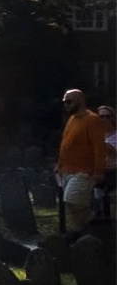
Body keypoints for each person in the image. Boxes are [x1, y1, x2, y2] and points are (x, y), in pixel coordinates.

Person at [56, 89, 107, 236]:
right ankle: (88, 232)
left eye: (69, 101)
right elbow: (66, 143)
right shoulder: (72, 119)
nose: (66, 105)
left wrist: (99, 171)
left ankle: (88, 230)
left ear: (80, 100)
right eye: (64, 102)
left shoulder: (92, 120)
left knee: (73, 200)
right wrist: (60, 165)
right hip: (68, 170)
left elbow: (99, 147)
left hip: (84, 171)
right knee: (72, 206)